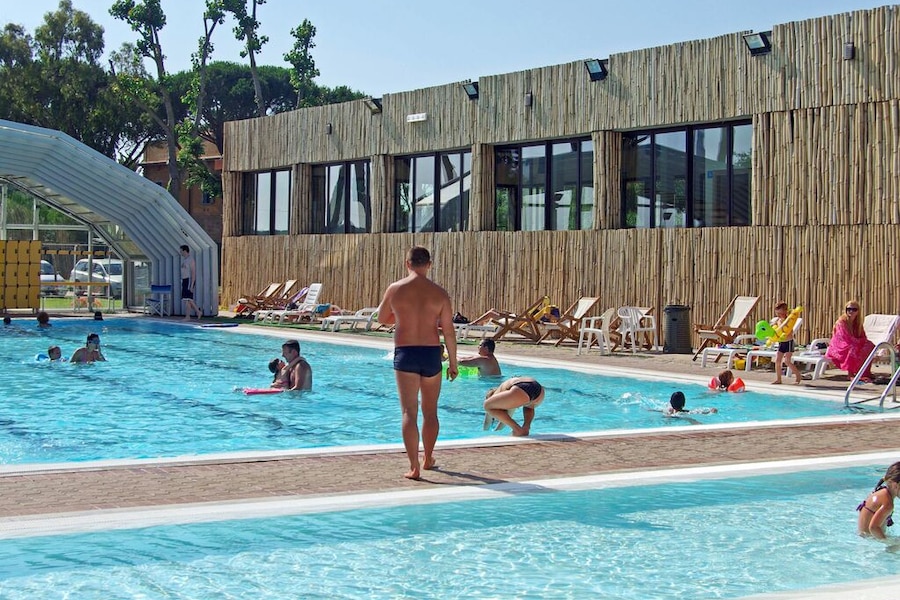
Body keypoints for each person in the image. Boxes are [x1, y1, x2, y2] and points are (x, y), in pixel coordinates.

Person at [377, 246, 458, 480]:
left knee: (408, 412)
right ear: (429, 264)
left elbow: (382, 318)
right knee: (430, 411)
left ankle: (414, 467)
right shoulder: (440, 293)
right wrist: (453, 363)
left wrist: (402, 316)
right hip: (431, 353)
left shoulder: (396, 289)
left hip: (406, 353)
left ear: (407, 263)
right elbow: (449, 332)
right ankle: (428, 458)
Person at [826, 300, 874, 381]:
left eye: (854, 309)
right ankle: (850, 374)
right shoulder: (841, 322)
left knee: (870, 345)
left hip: (852, 342)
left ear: (858, 311)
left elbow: (863, 336)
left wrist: (861, 342)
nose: (851, 311)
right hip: (839, 346)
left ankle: (864, 372)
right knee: (853, 348)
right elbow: (844, 337)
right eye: (849, 309)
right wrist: (859, 342)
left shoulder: (857, 323)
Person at [857, 462, 900, 539]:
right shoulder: (887, 503)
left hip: (864, 538)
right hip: (870, 540)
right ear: (895, 485)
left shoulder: (881, 492)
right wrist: (888, 542)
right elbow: (873, 528)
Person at [771, 302, 802, 385]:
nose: (779, 315)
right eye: (777, 313)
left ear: (785, 311)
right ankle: (779, 379)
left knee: (787, 361)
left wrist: (784, 334)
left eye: (780, 313)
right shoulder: (777, 321)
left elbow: (790, 332)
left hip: (789, 342)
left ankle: (798, 376)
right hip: (781, 343)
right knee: (777, 361)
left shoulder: (789, 320)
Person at [180, 245, 202, 321]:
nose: (180, 252)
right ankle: (190, 315)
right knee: (187, 299)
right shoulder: (185, 260)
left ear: (184, 251)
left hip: (189, 280)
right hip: (184, 280)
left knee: (188, 299)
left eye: (181, 251)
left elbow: (193, 272)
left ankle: (196, 312)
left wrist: (192, 285)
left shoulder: (191, 260)